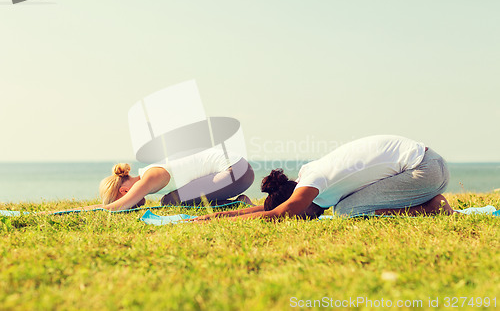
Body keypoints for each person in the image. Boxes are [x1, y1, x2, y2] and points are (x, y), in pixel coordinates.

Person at [197, 135, 455, 221]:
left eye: (300, 215)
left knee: (347, 211)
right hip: (426, 165)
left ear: (299, 199)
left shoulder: (314, 180)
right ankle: (427, 199)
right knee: (345, 207)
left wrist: (212, 221)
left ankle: (431, 207)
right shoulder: (311, 178)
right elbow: (270, 208)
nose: (304, 218)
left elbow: (279, 213)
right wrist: (213, 216)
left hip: (424, 170)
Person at [98, 147, 255, 211]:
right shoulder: (149, 173)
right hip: (240, 169)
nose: (130, 207)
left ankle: (240, 205)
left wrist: (77, 211)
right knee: (171, 199)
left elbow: (114, 207)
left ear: (124, 191)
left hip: (236, 171)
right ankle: (241, 203)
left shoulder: (149, 177)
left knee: (170, 201)